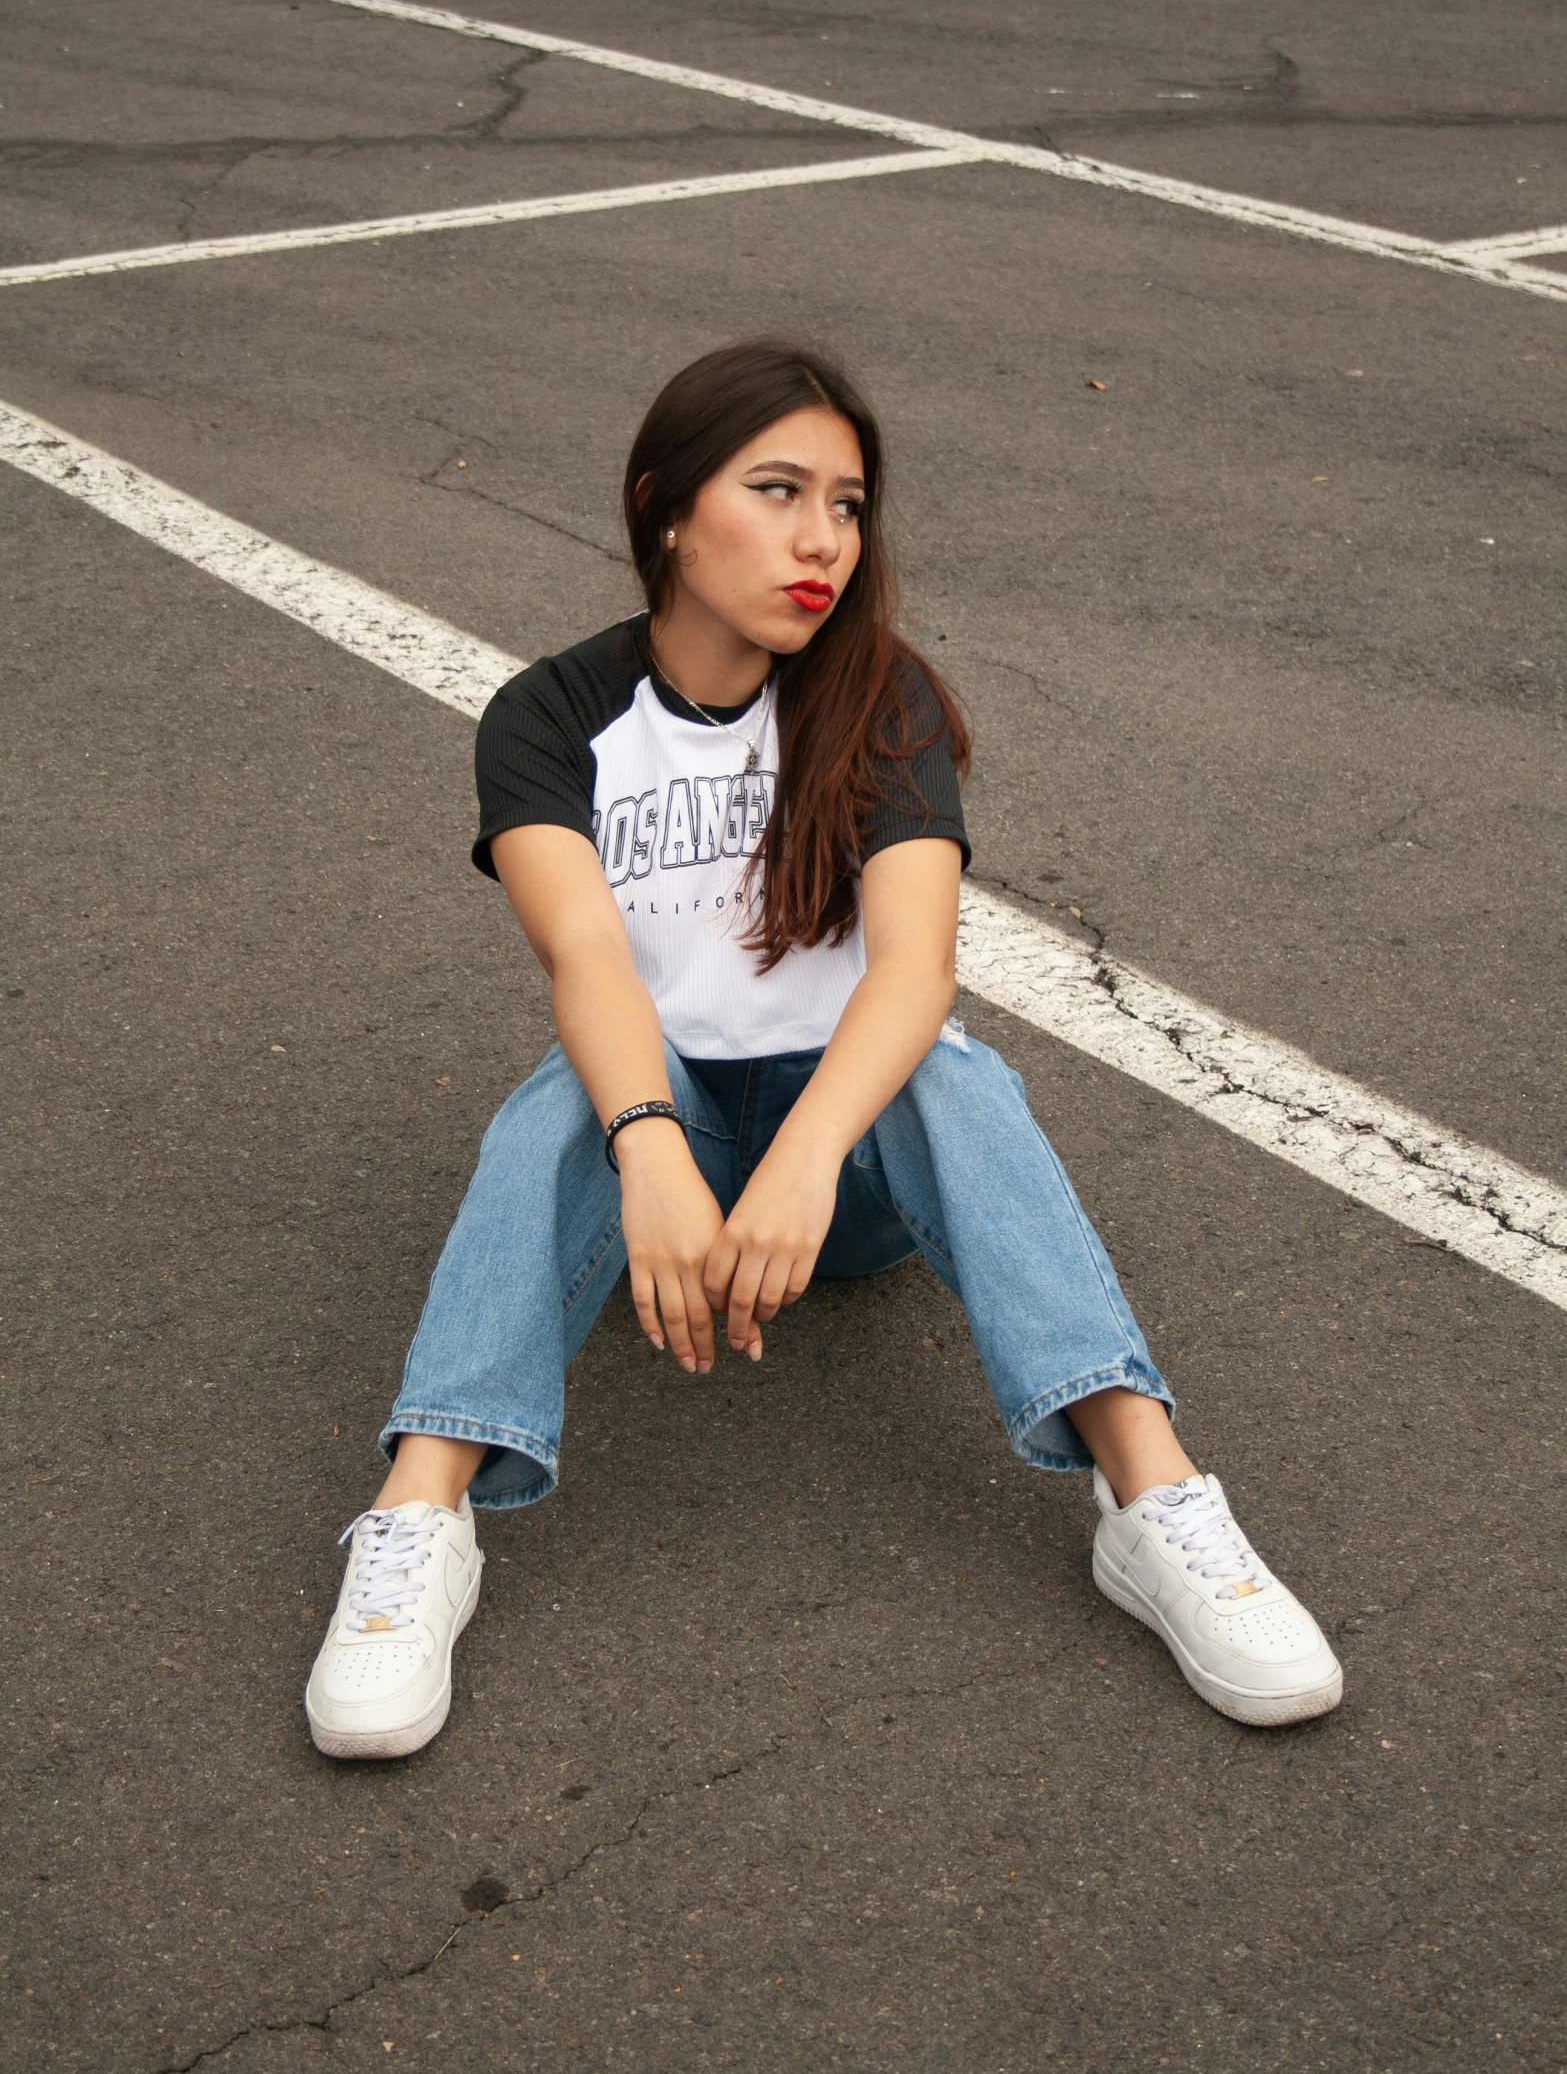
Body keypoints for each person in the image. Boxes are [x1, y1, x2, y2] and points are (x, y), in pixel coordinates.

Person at [305, 337, 1342, 1759]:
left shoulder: (879, 698)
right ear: (667, 508)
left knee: (949, 1066)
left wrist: (801, 1160)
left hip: (840, 1168)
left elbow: (912, 971)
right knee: (563, 1103)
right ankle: (419, 1517)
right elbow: (585, 958)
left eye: (847, 504)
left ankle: (1148, 1499)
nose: (821, 542)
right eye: (778, 490)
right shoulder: (550, 716)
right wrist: (653, 1149)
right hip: (659, 1161)